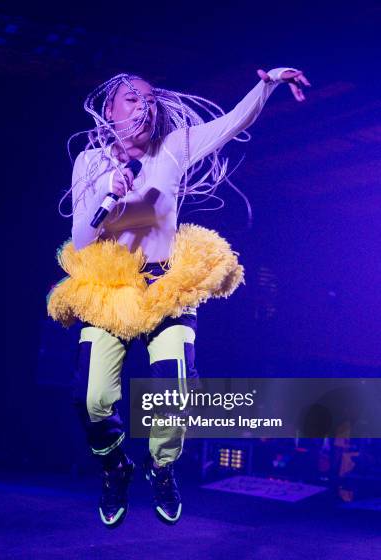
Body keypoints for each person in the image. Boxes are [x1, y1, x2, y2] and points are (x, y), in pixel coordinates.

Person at [48, 65, 311, 528]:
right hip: (110, 288)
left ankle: (162, 467)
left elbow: (232, 122)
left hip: (164, 286)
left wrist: (266, 84)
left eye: (149, 99)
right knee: (91, 399)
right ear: (109, 109)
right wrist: (105, 198)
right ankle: (115, 466)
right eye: (132, 98)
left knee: (174, 393)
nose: (143, 105)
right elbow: (81, 242)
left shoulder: (172, 148)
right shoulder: (90, 163)